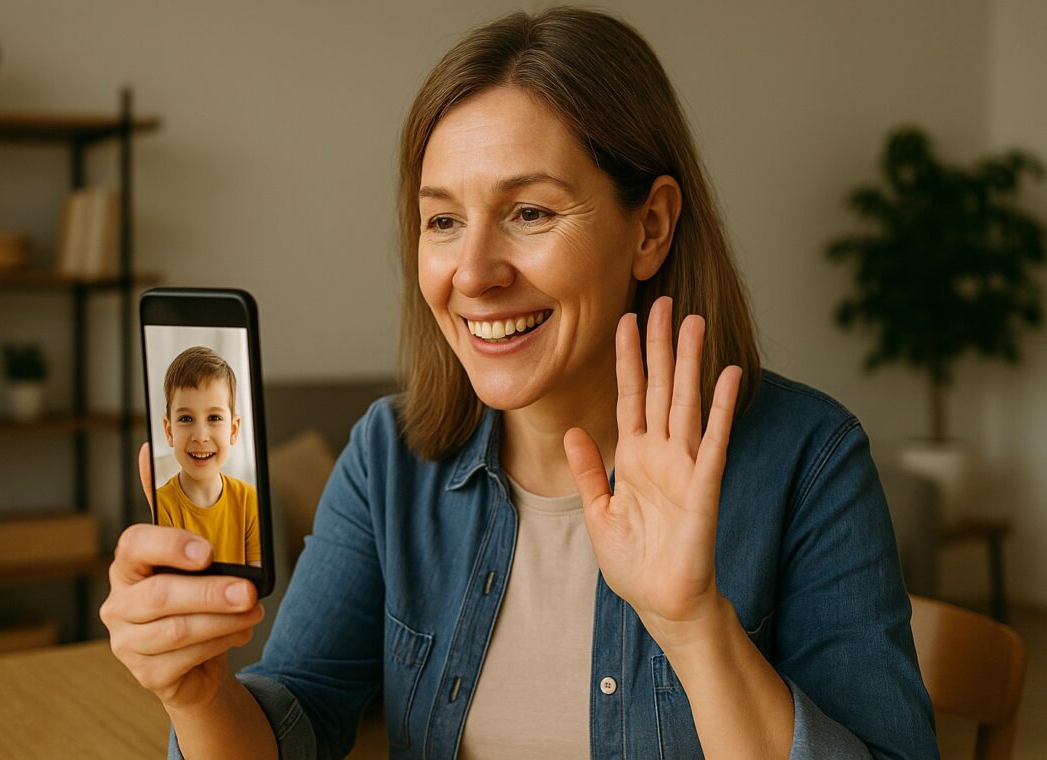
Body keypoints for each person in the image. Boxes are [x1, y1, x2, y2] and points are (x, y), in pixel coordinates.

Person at [101, 7, 938, 758]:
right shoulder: (388, 458)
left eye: (530, 212)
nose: (474, 273)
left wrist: (693, 627)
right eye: (442, 221)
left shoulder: (810, 460)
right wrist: (199, 696)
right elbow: (298, 722)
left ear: (650, 227)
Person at [154, 346, 261, 567]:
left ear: (233, 430)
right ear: (169, 431)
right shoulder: (161, 505)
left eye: (213, 417)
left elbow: (256, 579)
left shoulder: (249, 501)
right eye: (185, 419)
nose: (201, 436)